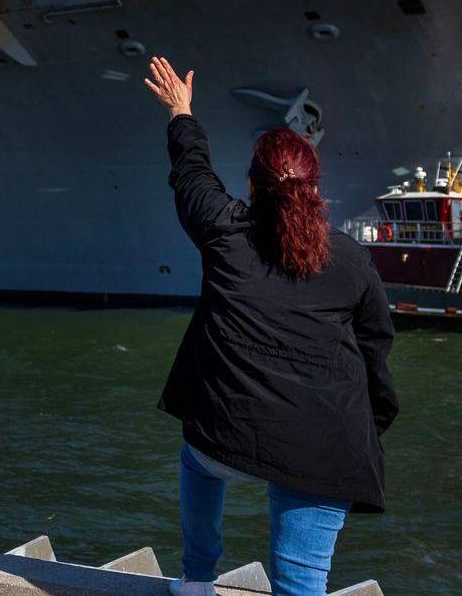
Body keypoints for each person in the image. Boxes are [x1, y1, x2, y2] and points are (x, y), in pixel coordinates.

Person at [140, 57, 397, 596]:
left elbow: (193, 175)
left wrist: (181, 112)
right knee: (301, 583)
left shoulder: (225, 232)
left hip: (226, 433)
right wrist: (372, 424)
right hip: (324, 443)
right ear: (315, 189)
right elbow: (375, 346)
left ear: (252, 187)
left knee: (198, 460)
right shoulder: (353, 260)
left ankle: (197, 579)